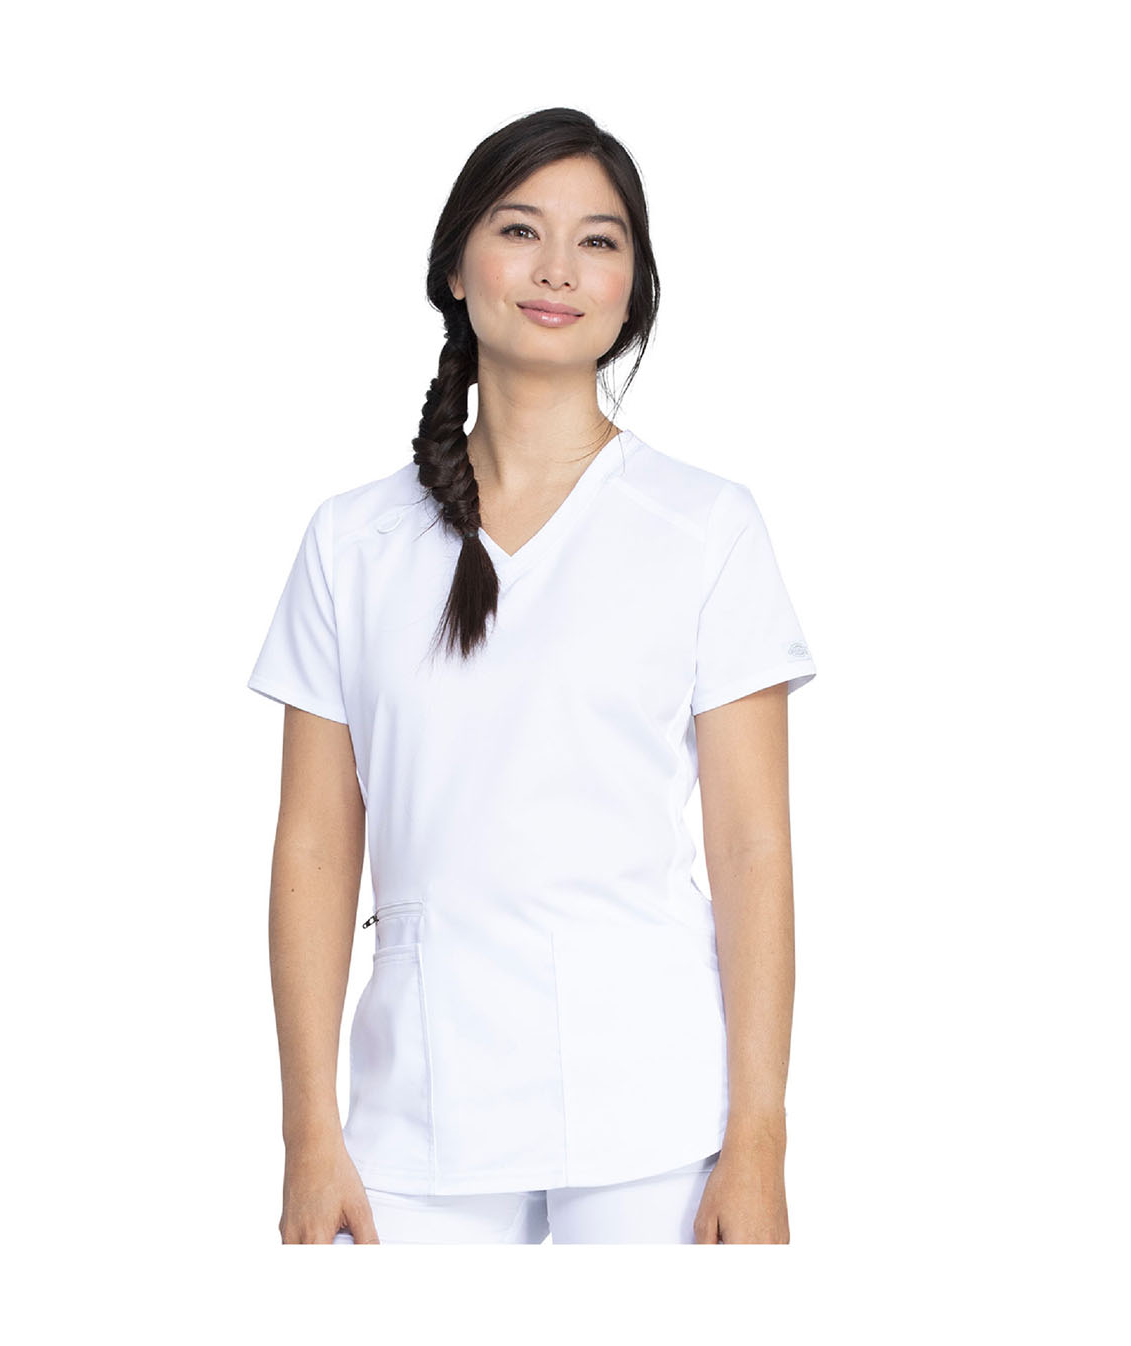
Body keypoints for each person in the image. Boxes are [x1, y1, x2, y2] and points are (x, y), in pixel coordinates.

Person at [247, 107, 817, 1244]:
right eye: (520, 230)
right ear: (456, 268)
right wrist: (310, 1131)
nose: (558, 269)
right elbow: (313, 845)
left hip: (655, 1114)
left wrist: (758, 1137)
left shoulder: (705, 526)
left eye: (599, 241)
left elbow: (753, 846)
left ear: (631, 290)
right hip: (416, 1114)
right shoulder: (353, 542)